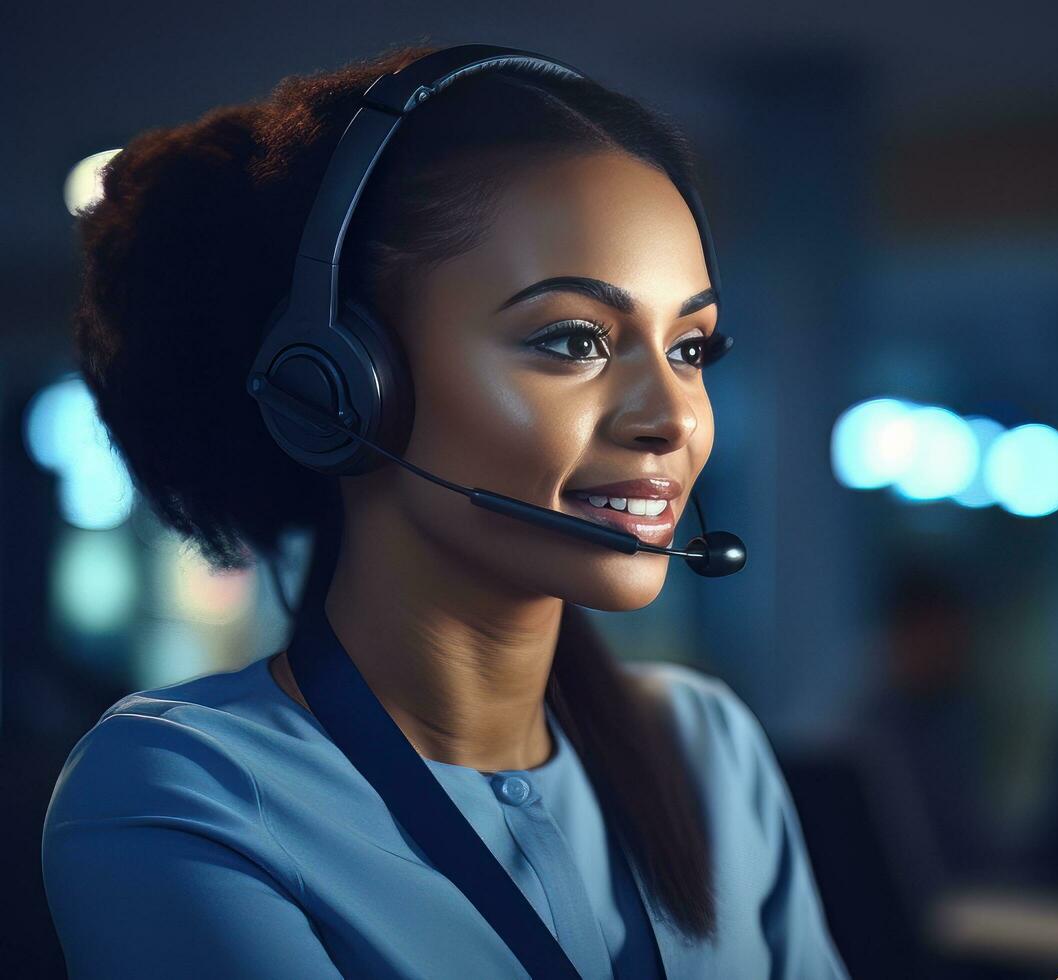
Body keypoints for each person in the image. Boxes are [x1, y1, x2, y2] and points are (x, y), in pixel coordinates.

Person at [42, 43, 848, 979]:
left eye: (692, 348)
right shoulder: (182, 789)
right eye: (575, 339)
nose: (673, 418)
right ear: (344, 386)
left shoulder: (708, 749)